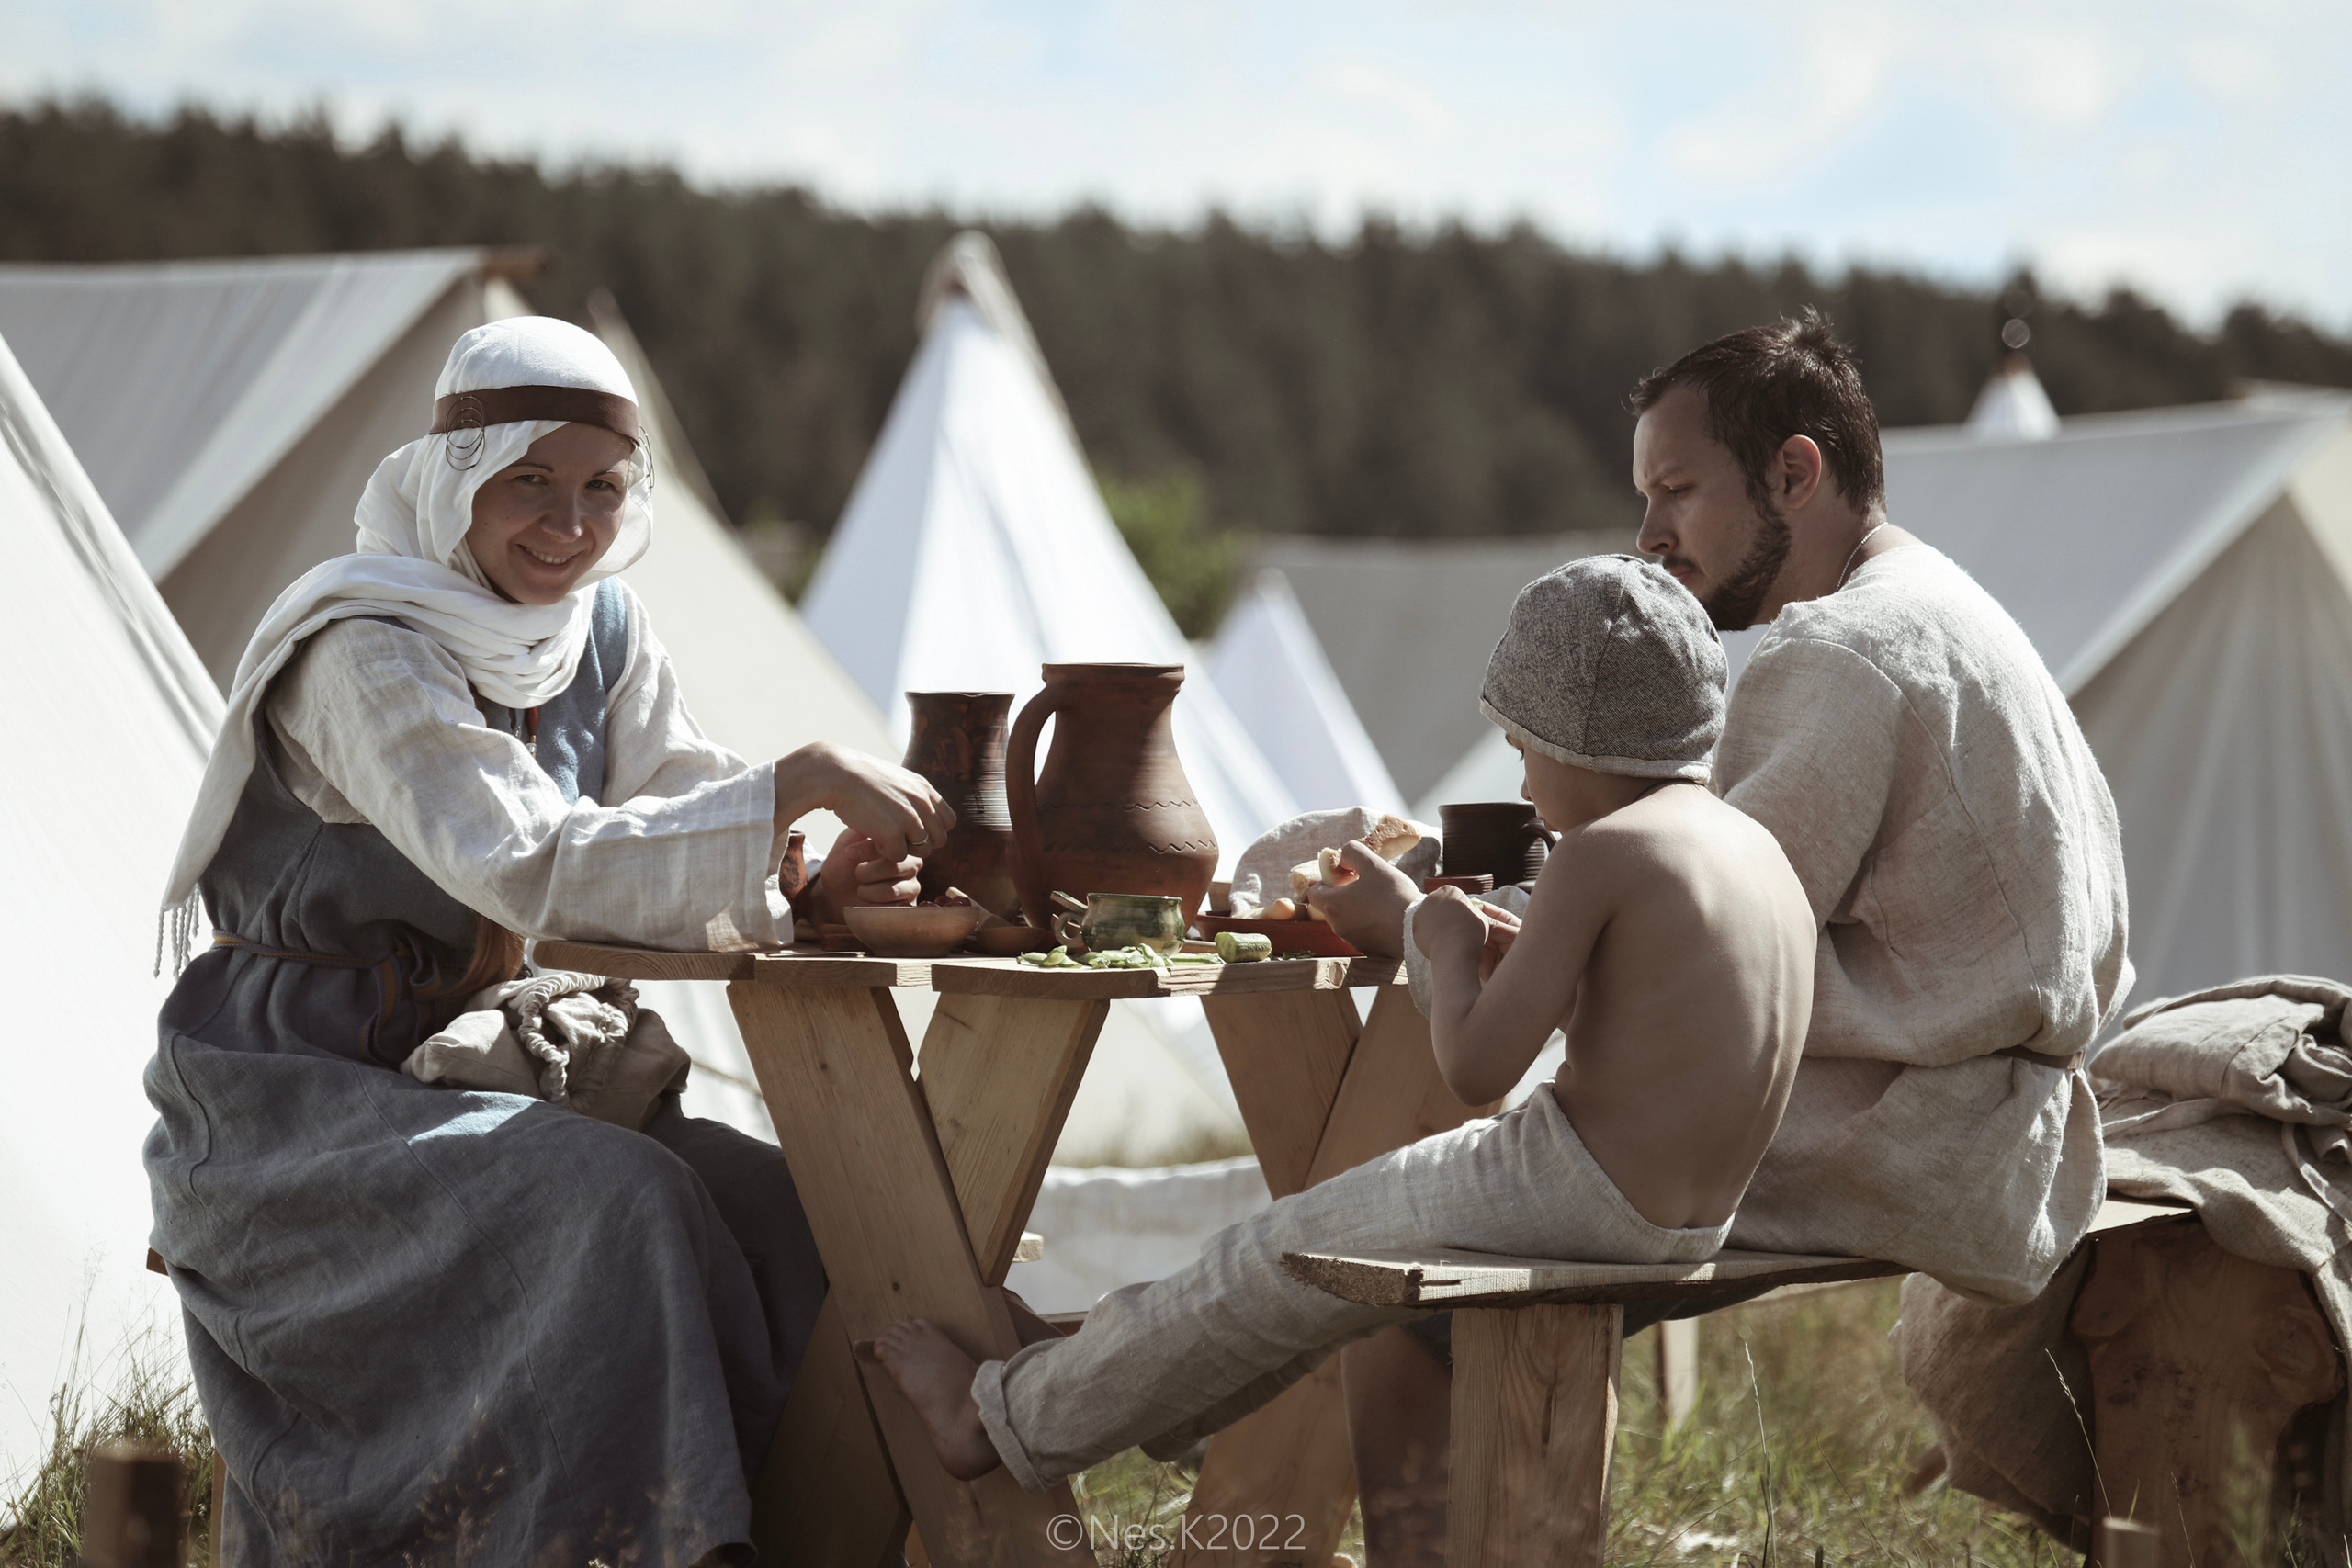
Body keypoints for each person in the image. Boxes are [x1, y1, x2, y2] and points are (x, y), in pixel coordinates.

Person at [1315, 309, 2129, 1564]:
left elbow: (1685, 956)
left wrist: (1423, 931)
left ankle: (1245, 1495)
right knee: (1451, 1202)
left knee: (1402, 1288)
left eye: (1677, 490)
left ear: (1794, 472)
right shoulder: (1945, 605)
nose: (1649, 533)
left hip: (1910, 1134)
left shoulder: (1842, 650)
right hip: (1986, 1120)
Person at [143, 317, 953, 1566]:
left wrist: (800, 872)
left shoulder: (599, 629)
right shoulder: (362, 642)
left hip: (495, 1064)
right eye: (532, 481)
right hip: (298, 1091)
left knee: (809, 1214)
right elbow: (526, 857)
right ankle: (640, 1542)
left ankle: (827, 1532)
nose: (570, 525)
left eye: (602, 489)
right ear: (457, 476)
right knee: (625, 1200)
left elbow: (679, 798)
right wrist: (788, 785)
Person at [866, 554, 1818, 1494]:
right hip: (1693, 1219)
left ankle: (997, 1419)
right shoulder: (1748, 847)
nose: (1525, 784)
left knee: (1274, 1251)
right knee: (1311, 1285)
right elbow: (1651, 1030)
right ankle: (1082, 1374)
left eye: (1523, 748)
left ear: (1572, 735)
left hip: (1575, 1188)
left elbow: (1477, 1069)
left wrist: (1439, 939)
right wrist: (1507, 956)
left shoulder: (1600, 854)